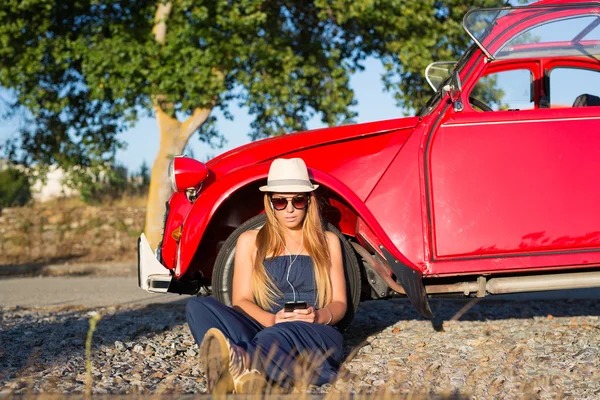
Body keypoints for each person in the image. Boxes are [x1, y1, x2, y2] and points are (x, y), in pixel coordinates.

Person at [185, 157, 347, 394]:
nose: (289, 209)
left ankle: (240, 362)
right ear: (270, 203)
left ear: (308, 202)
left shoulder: (328, 241)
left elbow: (340, 303)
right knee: (198, 307)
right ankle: (248, 367)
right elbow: (241, 300)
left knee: (280, 333)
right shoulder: (250, 240)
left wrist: (319, 315)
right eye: (280, 201)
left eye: (297, 200)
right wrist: (271, 319)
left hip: (313, 330)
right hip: (264, 323)